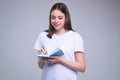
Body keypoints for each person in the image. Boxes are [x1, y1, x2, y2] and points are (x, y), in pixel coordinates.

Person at [34, 2, 86, 80]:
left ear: (66, 18)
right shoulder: (43, 35)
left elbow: (82, 67)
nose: (56, 21)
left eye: (60, 18)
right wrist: (42, 59)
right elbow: (40, 66)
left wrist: (60, 60)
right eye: (53, 17)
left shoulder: (75, 37)